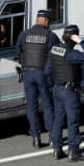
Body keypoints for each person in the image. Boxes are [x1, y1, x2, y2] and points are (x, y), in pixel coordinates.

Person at [50, 24, 84, 162]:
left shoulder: (55, 49)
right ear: (74, 38)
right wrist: (82, 42)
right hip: (69, 91)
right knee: (73, 121)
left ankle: (57, 149)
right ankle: (74, 152)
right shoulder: (71, 54)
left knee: (58, 120)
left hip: (57, 89)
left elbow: (48, 69)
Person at [16, 10, 58, 149]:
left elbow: (18, 53)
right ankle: (52, 137)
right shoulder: (50, 36)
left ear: (37, 19)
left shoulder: (24, 34)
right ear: (46, 21)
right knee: (47, 106)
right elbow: (57, 55)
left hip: (28, 74)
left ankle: (35, 138)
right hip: (43, 75)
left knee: (31, 107)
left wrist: (24, 66)